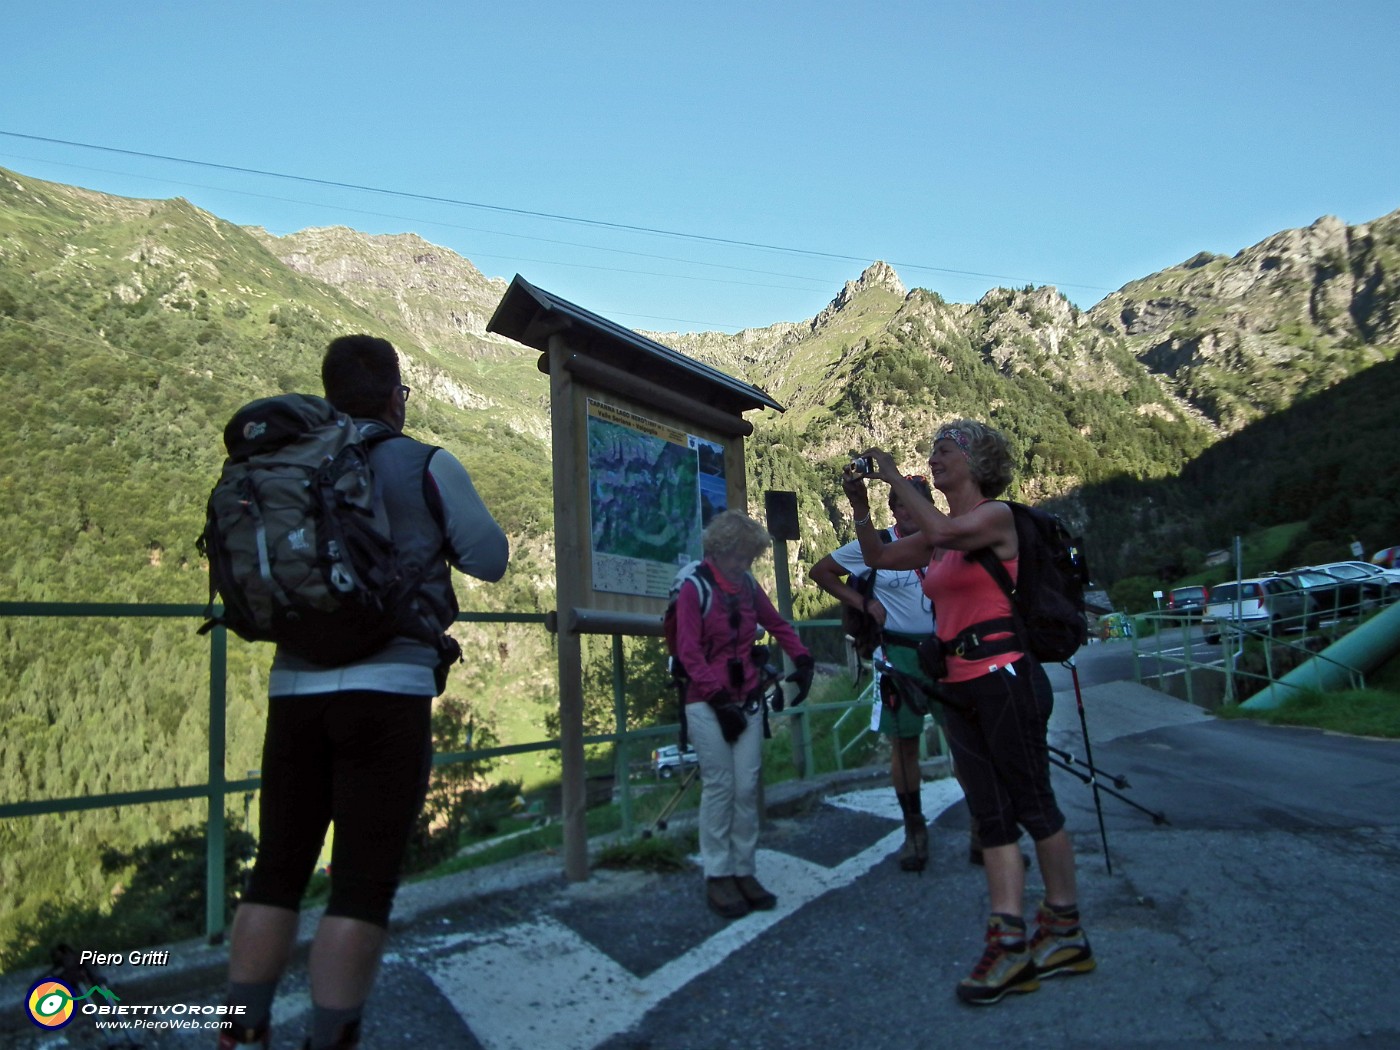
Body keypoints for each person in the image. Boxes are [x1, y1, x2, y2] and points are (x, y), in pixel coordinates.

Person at [219, 335, 510, 1050]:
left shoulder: (287, 459)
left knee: (277, 871)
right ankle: (331, 1038)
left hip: (294, 686)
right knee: (359, 885)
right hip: (390, 687)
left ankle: (240, 1031)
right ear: (395, 395)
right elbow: (490, 558)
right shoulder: (422, 461)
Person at [848, 420, 1094, 1006]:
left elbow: (945, 531)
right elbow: (879, 555)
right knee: (991, 815)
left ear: (976, 461)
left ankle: (1065, 927)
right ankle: (1009, 942)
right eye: (932, 451)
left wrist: (890, 475)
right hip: (959, 685)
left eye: (943, 450)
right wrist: (860, 503)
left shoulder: (997, 518)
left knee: (1034, 803)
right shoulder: (942, 538)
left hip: (1005, 677)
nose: (932, 458)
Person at [673, 510, 814, 919]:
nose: (743, 565)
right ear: (717, 552)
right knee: (720, 785)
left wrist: (801, 659)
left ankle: (744, 869)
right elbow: (688, 652)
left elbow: (776, 623)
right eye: (737, 557)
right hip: (706, 702)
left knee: (747, 784)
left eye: (748, 558)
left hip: (747, 698)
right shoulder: (694, 590)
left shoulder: (747, 586)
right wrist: (718, 702)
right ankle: (718, 874)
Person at [811, 474, 940, 872]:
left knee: (966, 736)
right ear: (893, 509)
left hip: (946, 651)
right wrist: (863, 603)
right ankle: (913, 828)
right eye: (901, 504)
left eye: (915, 503)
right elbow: (822, 572)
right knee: (904, 744)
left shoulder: (943, 539)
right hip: (898, 654)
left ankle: (983, 830)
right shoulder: (876, 546)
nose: (908, 511)